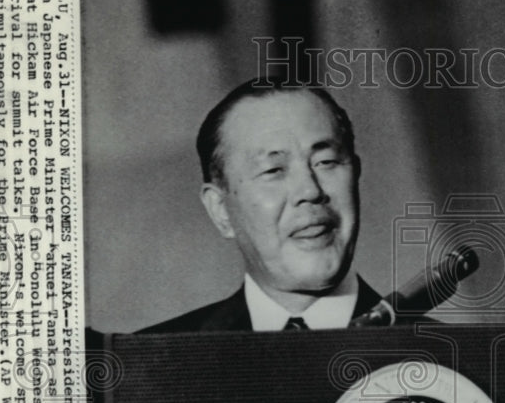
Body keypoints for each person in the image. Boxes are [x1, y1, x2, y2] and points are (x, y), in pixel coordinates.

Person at [142, 79, 382, 332]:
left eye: (326, 162)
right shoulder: (149, 361)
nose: (310, 191)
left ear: (356, 173)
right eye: (273, 170)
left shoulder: (425, 355)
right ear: (220, 210)